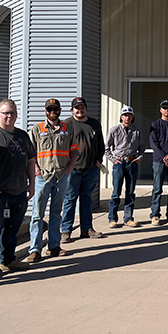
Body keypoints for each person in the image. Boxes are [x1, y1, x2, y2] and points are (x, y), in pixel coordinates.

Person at [0, 99, 36, 280]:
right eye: (5, 113)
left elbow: (31, 161)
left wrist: (31, 184)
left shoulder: (23, 136)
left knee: (12, 229)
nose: (9, 116)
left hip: (18, 192)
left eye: (12, 113)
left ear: (16, 115)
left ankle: (8, 260)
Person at [24, 98, 77, 262]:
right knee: (37, 215)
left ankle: (53, 246)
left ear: (60, 110)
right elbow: (30, 154)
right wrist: (36, 171)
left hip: (60, 176)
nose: (52, 112)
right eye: (49, 109)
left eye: (55, 109)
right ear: (45, 111)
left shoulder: (68, 129)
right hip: (42, 177)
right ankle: (34, 249)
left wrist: (68, 170)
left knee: (56, 213)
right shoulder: (37, 129)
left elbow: (74, 152)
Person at [61, 97, 106, 242]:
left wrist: (98, 161)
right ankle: (66, 231)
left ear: (86, 108)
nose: (80, 110)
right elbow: (61, 146)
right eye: (77, 108)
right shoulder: (67, 124)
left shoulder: (94, 124)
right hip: (72, 170)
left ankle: (86, 229)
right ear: (72, 109)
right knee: (70, 199)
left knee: (87, 199)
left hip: (91, 168)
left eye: (82, 107)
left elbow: (101, 145)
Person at [106, 106, 145, 229]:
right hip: (119, 163)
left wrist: (139, 157)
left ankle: (128, 218)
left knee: (130, 191)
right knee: (116, 192)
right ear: (121, 117)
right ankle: (112, 218)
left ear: (132, 116)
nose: (127, 117)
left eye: (129, 115)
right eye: (125, 115)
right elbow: (106, 148)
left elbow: (142, 147)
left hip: (132, 162)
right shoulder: (114, 130)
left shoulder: (137, 131)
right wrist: (113, 160)